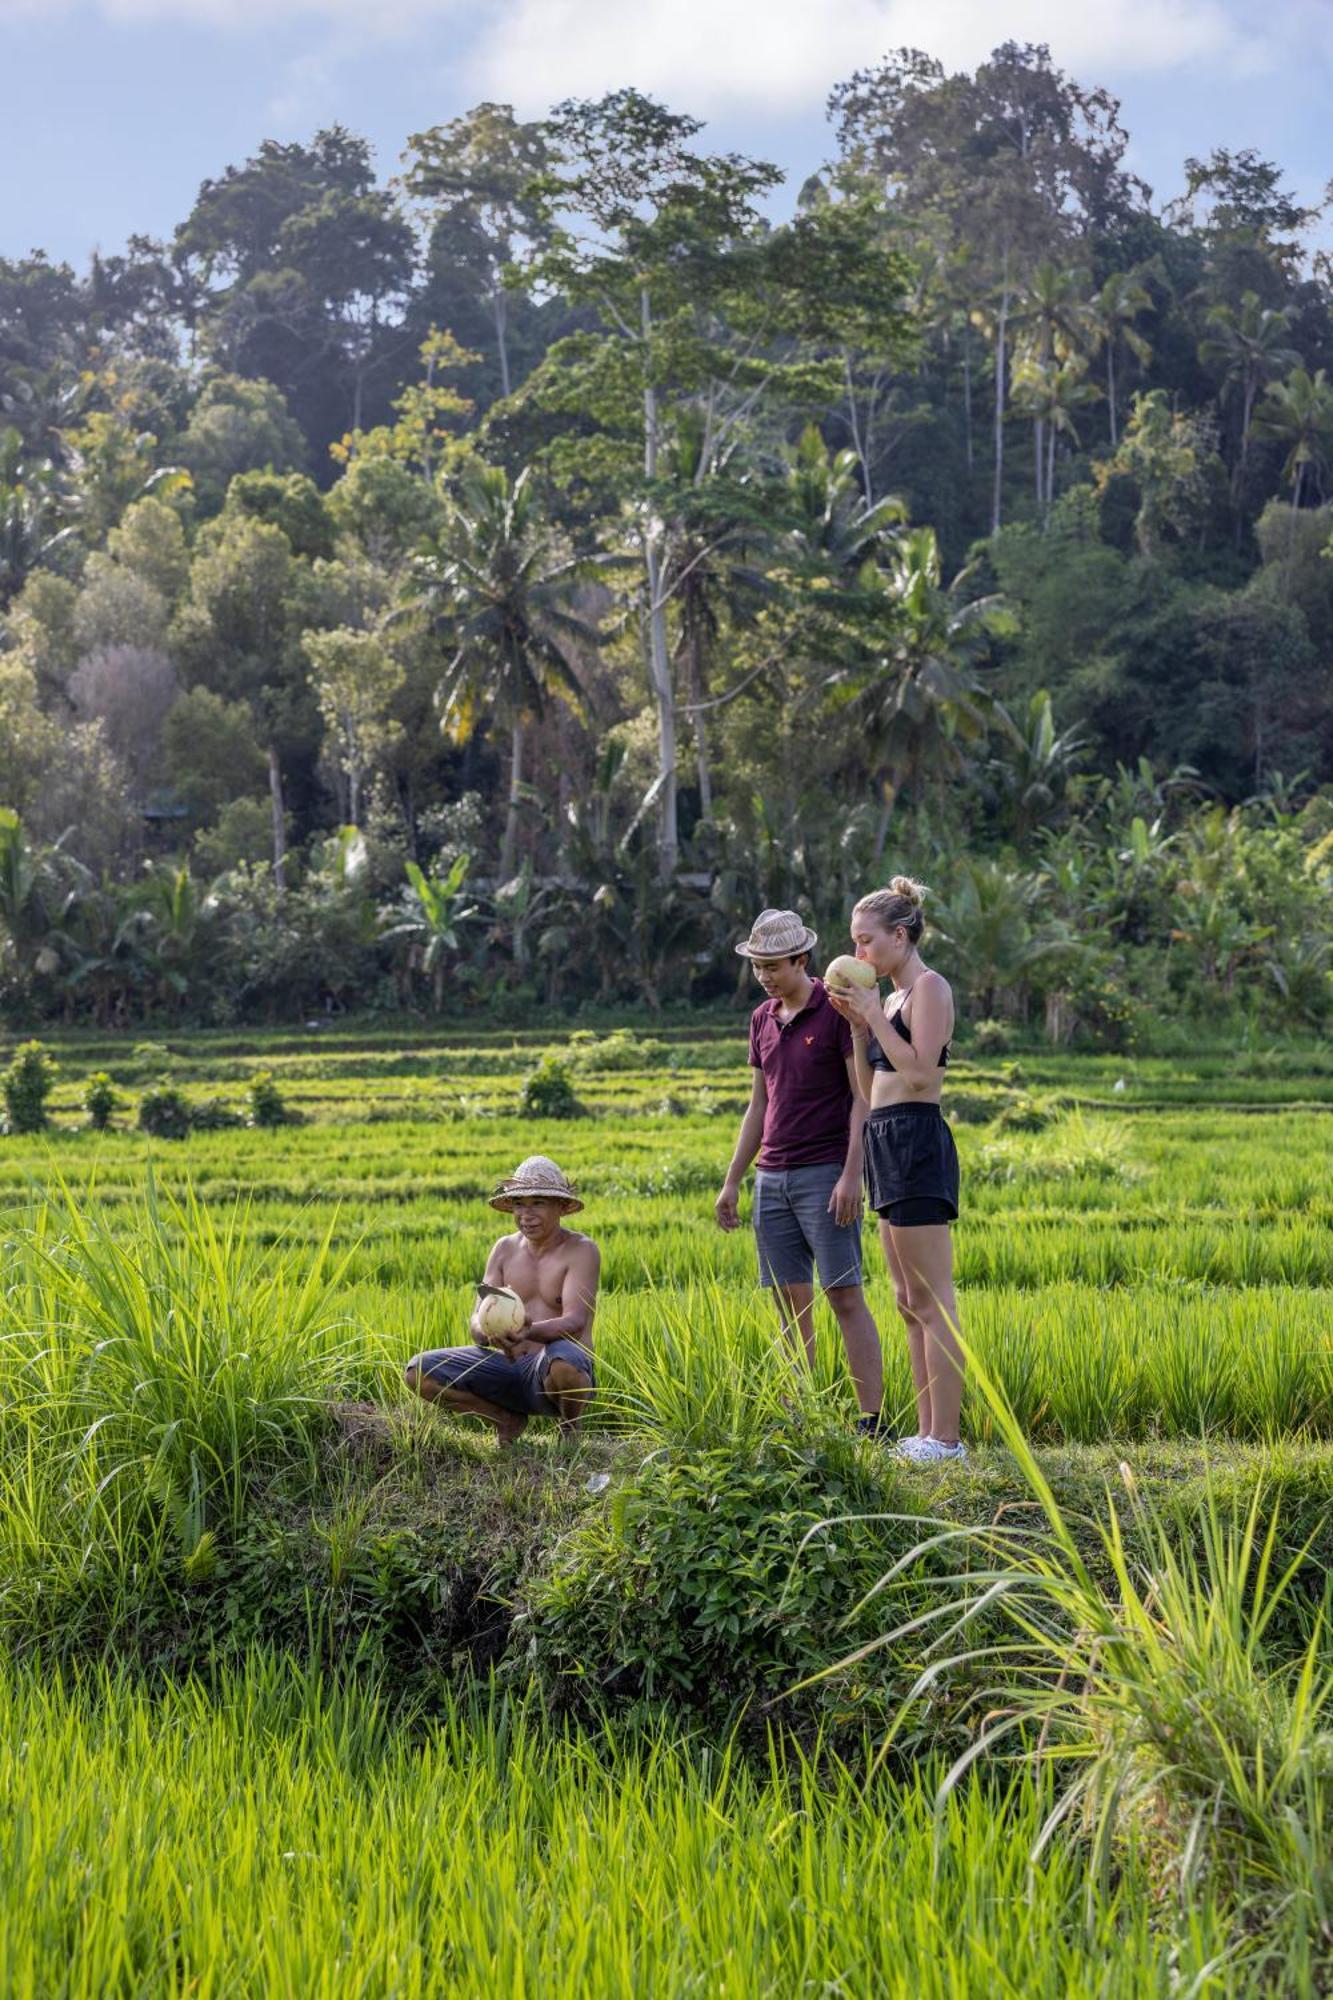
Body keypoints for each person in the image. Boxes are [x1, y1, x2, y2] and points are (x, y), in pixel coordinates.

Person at [715, 907, 884, 1432]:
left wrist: (851, 1173)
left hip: (825, 1173)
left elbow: (862, 1098)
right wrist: (732, 1181)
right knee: (789, 1300)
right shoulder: (761, 1019)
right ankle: (803, 1416)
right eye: (757, 966)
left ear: (801, 960)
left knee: (844, 1294)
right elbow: (758, 1106)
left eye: (773, 966)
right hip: (772, 1177)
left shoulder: (836, 1011)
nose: (764, 976)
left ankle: (871, 1421)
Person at [825, 877, 965, 1463]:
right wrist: (860, 1030)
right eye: (855, 944)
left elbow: (920, 1076)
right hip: (884, 1136)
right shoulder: (887, 1002)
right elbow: (869, 1087)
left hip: (915, 1138)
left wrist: (875, 1023)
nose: (860, 955)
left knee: (934, 1297)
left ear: (900, 937)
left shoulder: (929, 989)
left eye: (867, 942)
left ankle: (947, 1440)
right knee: (907, 1298)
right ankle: (926, 1431)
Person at [405, 1156, 600, 1447]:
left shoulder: (581, 1250)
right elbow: (477, 1317)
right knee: (418, 1372)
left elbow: (575, 1321)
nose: (526, 1214)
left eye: (538, 1203)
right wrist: (488, 1332)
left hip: (549, 1373)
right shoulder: (503, 1249)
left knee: (564, 1359)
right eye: (520, 1203)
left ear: (561, 1206)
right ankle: (505, 1420)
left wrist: (525, 1329)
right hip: (505, 1365)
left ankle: (569, 1430)